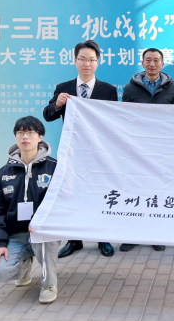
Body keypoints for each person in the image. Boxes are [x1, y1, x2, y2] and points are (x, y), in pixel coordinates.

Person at [43, 40, 118, 259]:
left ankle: (102, 238)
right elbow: (48, 115)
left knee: (99, 193)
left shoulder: (109, 90)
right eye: (83, 59)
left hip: (99, 152)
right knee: (72, 194)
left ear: (98, 62)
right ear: (75, 60)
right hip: (73, 152)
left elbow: (114, 120)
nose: (87, 63)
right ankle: (74, 240)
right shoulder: (63, 88)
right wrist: (57, 104)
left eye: (92, 60)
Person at [0, 116, 59, 304]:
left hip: (43, 232)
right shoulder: (4, 173)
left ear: (40, 137)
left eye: (30, 132)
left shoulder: (54, 168)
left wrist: (44, 222)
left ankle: (49, 284)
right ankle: (24, 267)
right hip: (16, 235)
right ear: (16, 137)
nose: (25, 136)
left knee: (44, 241)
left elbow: (63, 202)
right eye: (20, 132)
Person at [120, 47, 174, 252]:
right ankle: (133, 235)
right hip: (138, 149)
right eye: (148, 60)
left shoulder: (173, 89)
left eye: (156, 60)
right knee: (136, 191)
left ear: (162, 64)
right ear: (142, 63)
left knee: (159, 191)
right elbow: (125, 118)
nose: (152, 64)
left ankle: (157, 233)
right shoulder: (130, 89)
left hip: (163, 149)